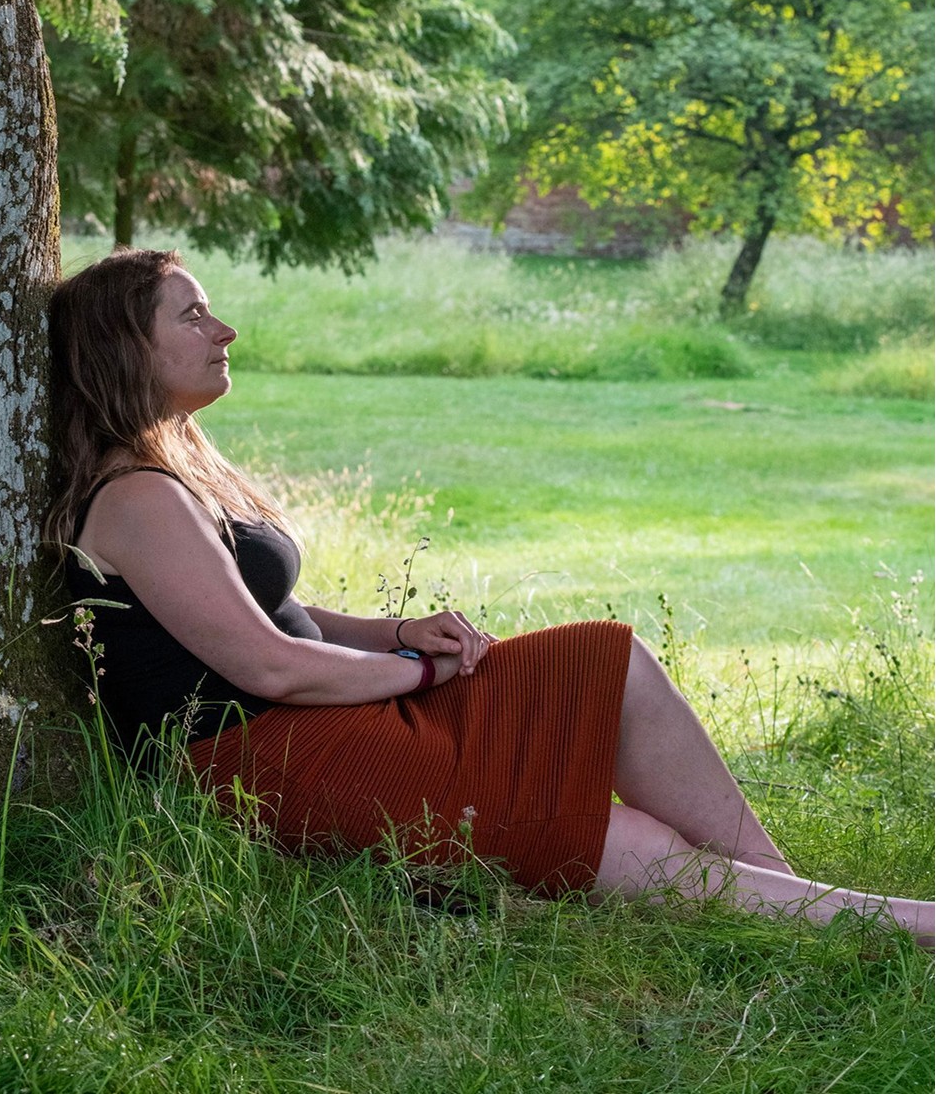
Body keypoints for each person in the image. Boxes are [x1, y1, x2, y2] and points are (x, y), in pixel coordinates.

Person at [45, 245, 934, 943]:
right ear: (126, 346)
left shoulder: (172, 475)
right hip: (267, 762)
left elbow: (279, 620)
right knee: (635, 847)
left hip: (320, 721)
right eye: (192, 313)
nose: (224, 329)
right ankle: (891, 928)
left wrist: (398, 630)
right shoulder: (136, 499)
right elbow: (269, 665)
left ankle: (810, 904)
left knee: (603, 657)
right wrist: (417, 674)